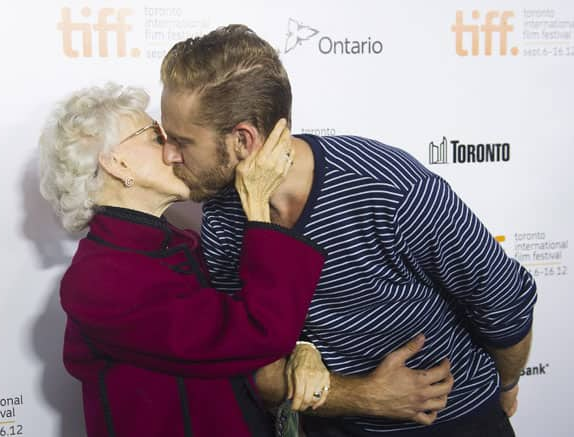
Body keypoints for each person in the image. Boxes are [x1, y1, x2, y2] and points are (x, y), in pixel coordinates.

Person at [159, 25, 537, 436]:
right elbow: (259, 369)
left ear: (243, 140)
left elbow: (504, 304)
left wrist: (505, 387)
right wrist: (362, 394)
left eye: (181, 141)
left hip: (452, 419)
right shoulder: (221, 216)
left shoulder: (389, 187)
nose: (168, 155)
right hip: (333, 426)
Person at [38, 82, 332, 437]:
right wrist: (257, 205)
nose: (175, 151)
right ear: (117, 161)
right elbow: (256, 333)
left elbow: (253, 339)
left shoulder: (175, 243)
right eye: (156, 138)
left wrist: (303, 348)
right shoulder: (99, 279)